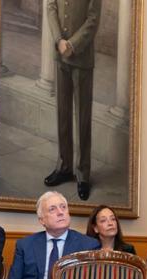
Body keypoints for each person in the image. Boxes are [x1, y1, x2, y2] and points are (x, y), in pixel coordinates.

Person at [43, 0, 102, 201]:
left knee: (82, 119)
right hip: (60, 56)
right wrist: (59, 40)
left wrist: (72, 44)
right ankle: (65, 167)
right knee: (63, 113)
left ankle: (83, 174)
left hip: (82, 56)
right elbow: (51, 7)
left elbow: (93, 19)